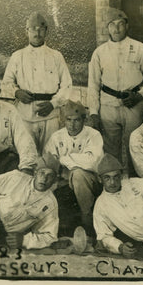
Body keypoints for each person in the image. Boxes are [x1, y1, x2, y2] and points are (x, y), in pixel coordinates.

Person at [87, 8, 143, 174]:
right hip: (108, 106)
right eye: (112, 25)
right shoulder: (99, 53)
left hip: (133, 105)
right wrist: (93, 112)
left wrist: (139, 95)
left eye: (120, 24)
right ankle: (115, 188)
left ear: (127, 26)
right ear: (107, 28)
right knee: (111, 151)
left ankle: (136, 186)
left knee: (136, 148)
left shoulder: (140, 49)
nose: (116, 29)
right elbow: (93, 85)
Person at [2, 12, 73, 154]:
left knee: (51, 155)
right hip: (25, 115)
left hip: (50, 115)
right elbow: (6, 83)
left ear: (46, 31)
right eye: (33, 28)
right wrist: (17, 92)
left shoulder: (56, 56)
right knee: (27, 155)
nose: (37, 32)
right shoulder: (17, 56)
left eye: (41, 28)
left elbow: (67, 85)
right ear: (26, 31)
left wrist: (53, 104)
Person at [44, 100, 104, 237]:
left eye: (77, 120)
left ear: (84, 120)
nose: (72, 124)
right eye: (68, 120)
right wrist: (68, 164)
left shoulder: (93, 135)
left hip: (90, 183)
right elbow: (49, 161)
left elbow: (92, 162)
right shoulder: (57, 136)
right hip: (63, 182)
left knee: (78, 174)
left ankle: (87, 218)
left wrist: (64, 160)